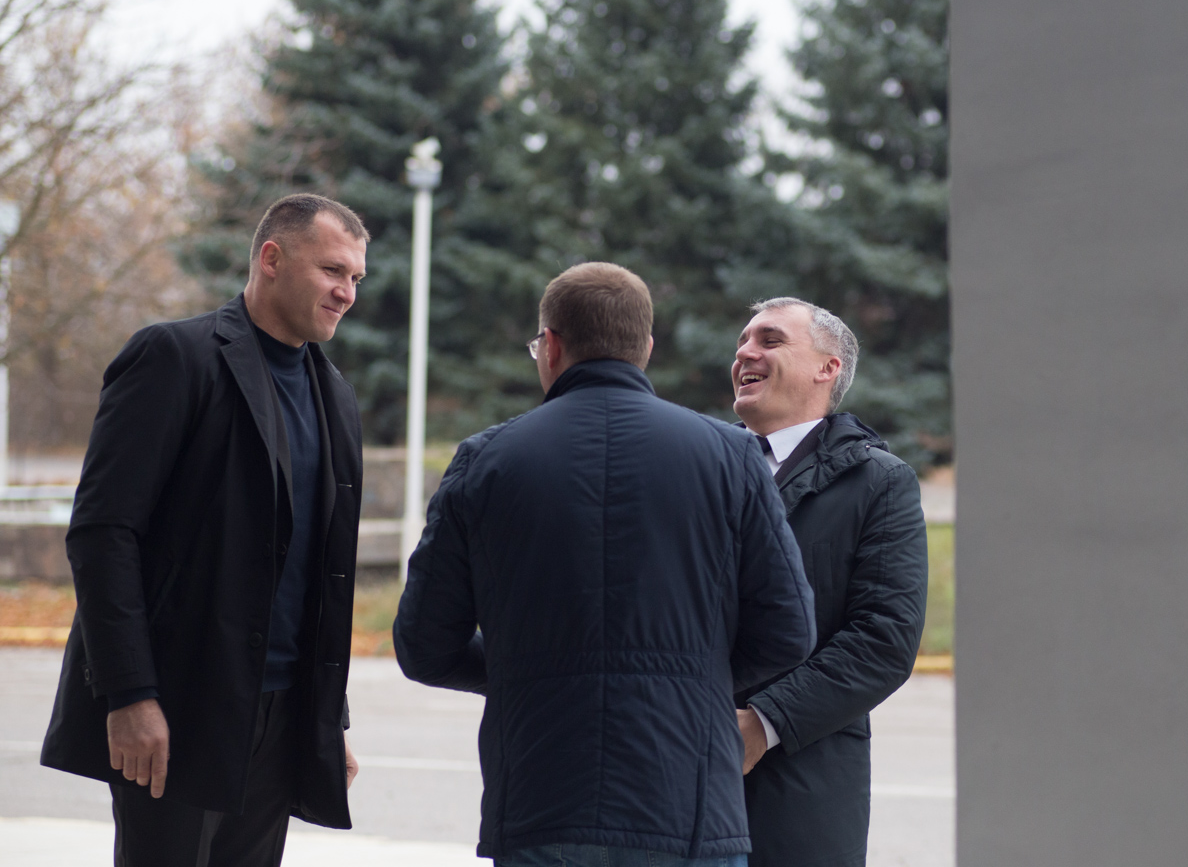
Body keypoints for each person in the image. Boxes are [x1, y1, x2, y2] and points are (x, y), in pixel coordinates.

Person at [394, 261, 816, 867]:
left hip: (541, 800)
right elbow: (788, 631)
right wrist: (688, 673)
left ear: (552, 346)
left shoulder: (485, 461)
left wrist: (528, 665)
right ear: (645, 348)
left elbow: (424, 645)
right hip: (687, 805)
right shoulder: (732, 456)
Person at [40, 194, 370, 867]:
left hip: (282, 717)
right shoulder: (174, 356)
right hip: (179, 708)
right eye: (333, 270)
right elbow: (103, 533)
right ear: (272, 259)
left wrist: (326, 720)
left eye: (357, 277)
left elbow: (319, 572)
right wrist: (131, 694)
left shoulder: (334, 394)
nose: (348, 292)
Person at [731, 297, 928, 867]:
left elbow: (883, 641)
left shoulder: (878, 483)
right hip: (674, 779)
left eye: (770, 340)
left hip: (800, 792)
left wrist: (762, 723)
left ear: (827, 367)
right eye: (742, 342)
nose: (745, 353)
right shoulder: (694, 468)